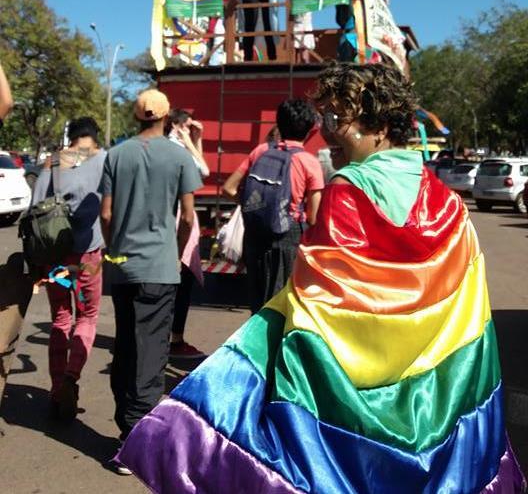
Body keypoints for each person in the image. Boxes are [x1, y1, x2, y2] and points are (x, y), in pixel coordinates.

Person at [118, 63, 525, 493]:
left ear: (381, 125)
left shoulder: (347, 190)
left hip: (352, 409)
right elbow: (468, 314)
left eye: (338, 118)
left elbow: (322, 310)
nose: (329, 132)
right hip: (438, 399)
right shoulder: (449, 203)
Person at [100, 89, 202, 472]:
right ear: (165, 117)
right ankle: (135, 439)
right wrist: (175, 253)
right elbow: (189, 217)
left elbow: (106, 215)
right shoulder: (178, 156)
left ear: (136, 115)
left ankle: (126, 427)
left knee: (126, 344)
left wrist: (114, 250)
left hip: (123, 265)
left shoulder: (117, 155)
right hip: (160, 267)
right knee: (152, 351)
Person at [32, 117, 106, 421]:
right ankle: (71, 377)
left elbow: (35, 207)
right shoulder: (105, 159)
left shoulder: (51, 162)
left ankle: (55, 386)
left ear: (71, 137)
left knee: (61, 319)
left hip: (56, 258)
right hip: (89, 257)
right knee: (87, 316)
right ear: (94, 137)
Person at [223, 99, 324, 314]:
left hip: (255, 234)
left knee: (257, 301)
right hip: (288, 235)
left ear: (279, 123)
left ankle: (256, 345)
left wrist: (255, 205)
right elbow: (314, 218)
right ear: (309, 130)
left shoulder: (260, 151)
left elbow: (229, 188)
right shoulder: (310, 162)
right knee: (281, 303)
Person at [166, 108, 210, 359]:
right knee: (181, 281)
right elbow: (202, 170)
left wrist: (196, 140)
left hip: (170, 221)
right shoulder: (176, 148)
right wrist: (189, 142)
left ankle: (169, 336)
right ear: (176, 126)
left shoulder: (175, 146)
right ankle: (175, 339)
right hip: (178, 220)